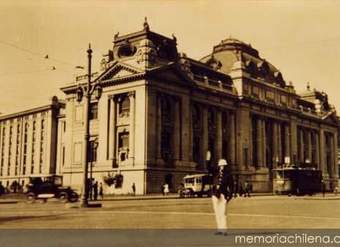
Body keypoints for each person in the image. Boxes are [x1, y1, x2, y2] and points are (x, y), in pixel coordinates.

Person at [212, 159, 231, 235]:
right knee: (217, 213)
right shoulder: (215, 174)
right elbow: (209, 168)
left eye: (223, 165)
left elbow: (231, 186)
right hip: (215, 195)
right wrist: (208, 158)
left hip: (223, 195)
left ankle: (224, 230)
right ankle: (219, 229)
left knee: (223, 213)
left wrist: (229, 196)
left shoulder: (228, 175)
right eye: (221, 165)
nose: (222, 167)